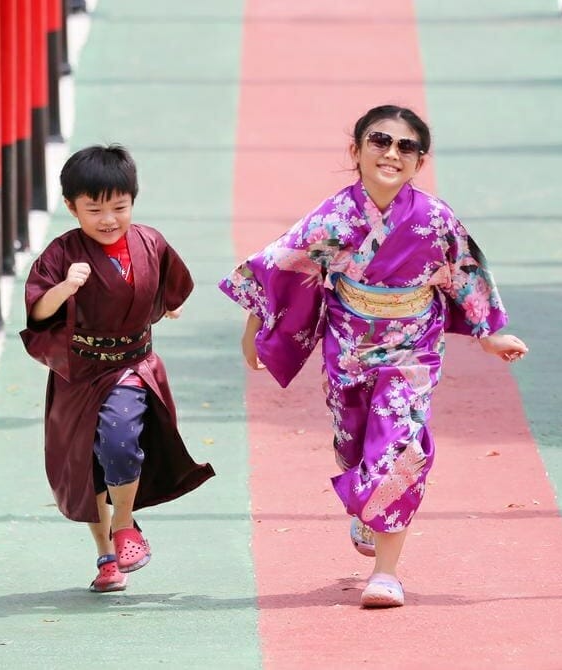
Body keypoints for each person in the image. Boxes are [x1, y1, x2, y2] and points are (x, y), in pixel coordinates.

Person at [219, 105, 529, 608]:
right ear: (357, 150)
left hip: (414, 346)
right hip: (349, 345)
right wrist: (253, 329)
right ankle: (367, 501)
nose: (391, 153)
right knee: (354, 443)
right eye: (380, 141)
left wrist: (489, 335)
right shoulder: (334, 217)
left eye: (406, 146)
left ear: (419, 161)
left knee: (399, 446)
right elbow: (280, 265)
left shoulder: (434, 218)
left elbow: (465, 273)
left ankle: (385, 573)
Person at [22, 144, 214, 593]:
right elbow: (38, 312)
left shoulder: (151, 242)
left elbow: (168, 285)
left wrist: (167, 306)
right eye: (94, 210)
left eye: (119, 207)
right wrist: (65, 287)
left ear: (133, 201)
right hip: (80, 372)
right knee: (87, 466)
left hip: (132, 365)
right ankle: (107, 556)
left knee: (120, 440)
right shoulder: (61, 253)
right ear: (71, 207)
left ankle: (125, 525)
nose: (108, 219)